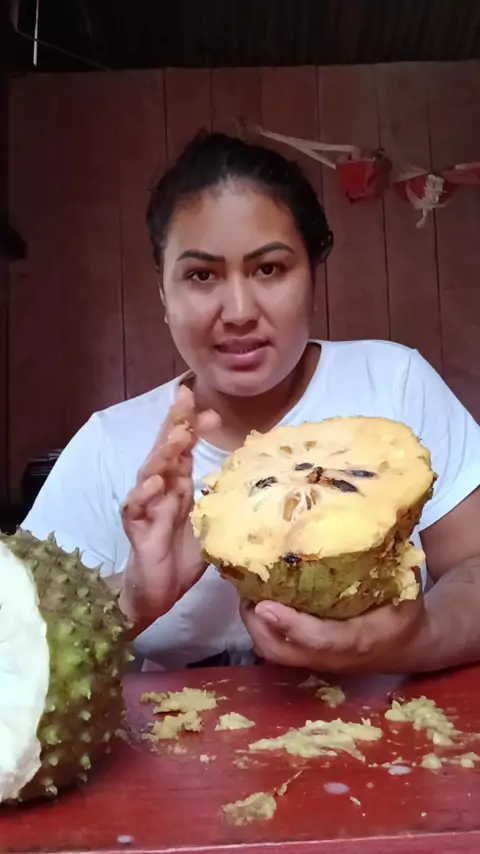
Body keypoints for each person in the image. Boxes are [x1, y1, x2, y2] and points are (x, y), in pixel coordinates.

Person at [22, 131, 480, 675]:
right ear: (164, 294)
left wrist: (412, 641)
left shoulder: (393, 384)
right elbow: (17, 648)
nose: (238, 311)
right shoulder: (109, 447)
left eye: (269, 269)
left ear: (312, 275)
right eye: (201, 275)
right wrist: (134, 598)